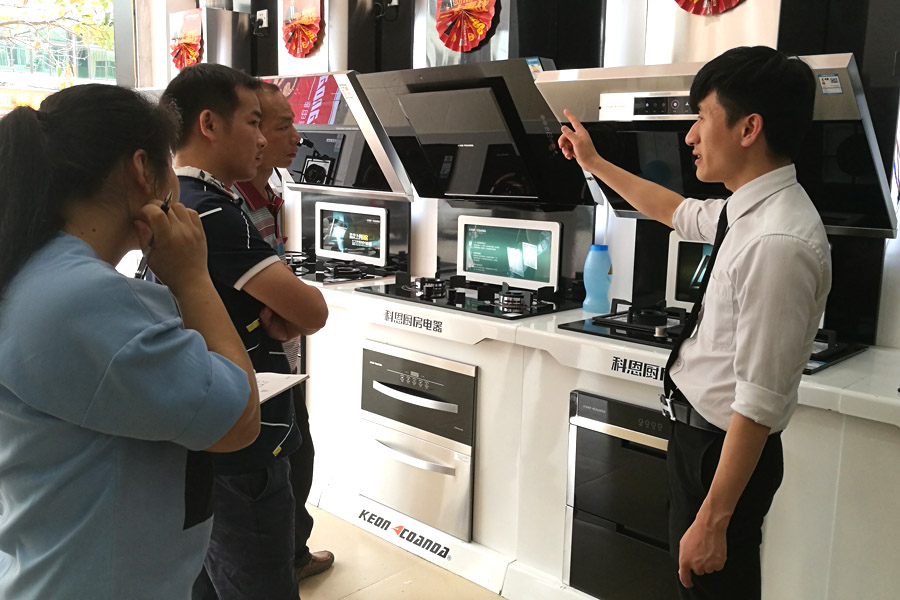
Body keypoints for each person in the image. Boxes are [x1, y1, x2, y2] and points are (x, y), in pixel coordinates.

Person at [558, 46, 831, 599]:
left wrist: (712, 520)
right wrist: (594, 163)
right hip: (698, 442)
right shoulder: (746, 211)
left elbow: (757, 404)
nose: (690, 136)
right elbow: (672, 210)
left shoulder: (778, 242)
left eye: (703, 117)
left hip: (719, 454)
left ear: (749, 128)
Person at [0, 84, 261, 600]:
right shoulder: (83, 298)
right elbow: (237, 421)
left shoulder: (34, 270)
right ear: (142, 169)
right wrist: (193, 278)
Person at [161, 64, 328, 600]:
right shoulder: (211, 211)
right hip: (242, 439)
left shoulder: (179, 199)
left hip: (205, 424)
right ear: (209, 125)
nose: (263, 139)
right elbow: (312, 311)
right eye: (255, 122)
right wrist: (287, 308)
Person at [232, 81, 334, 581]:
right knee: (284, 461)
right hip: (256, 364)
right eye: (279, 126)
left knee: (296, 455)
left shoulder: (268, 192)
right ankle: (287, 558)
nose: (297, 137)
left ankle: (293, 550)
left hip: (280, 358)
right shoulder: (227, 205)